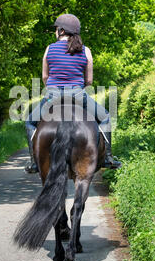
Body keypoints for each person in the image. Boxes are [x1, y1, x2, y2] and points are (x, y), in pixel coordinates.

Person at [25, 14, 122, 173]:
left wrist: (51, 88)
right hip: (77, 95)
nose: (55, 32)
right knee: (105, 117)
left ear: (61, 31)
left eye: (56, 29)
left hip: (53, 96)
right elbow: (89, 81)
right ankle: (108, 158)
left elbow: (44, 76)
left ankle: (34, 162)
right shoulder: (86, 51)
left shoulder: (50, 48)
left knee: (29, 122)